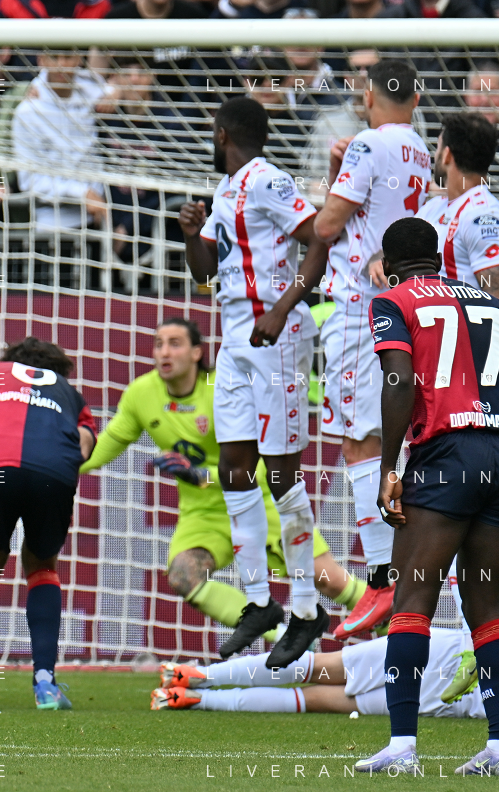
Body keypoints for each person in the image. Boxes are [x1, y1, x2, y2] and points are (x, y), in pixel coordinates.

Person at [361, 216, 499, 776]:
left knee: (412, 600)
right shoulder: (492, 303)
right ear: (442, 257)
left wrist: (389, 466)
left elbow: (399, 378)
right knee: (486, 609)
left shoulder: (393, 300)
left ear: (389, 265)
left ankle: (401, 747)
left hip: (446, 455)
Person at [80, 319, 370, 643]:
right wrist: (62, 466)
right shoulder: (141, 394)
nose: (164, 352)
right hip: (204, 514)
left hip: (261, 501)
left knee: (328, 580)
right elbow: (107, 444)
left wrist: (201, 476)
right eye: (159, 344)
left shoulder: (224, 389)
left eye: (175, 343)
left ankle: (395, 622)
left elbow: (258, 468)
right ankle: (283, 638)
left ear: (196, 352)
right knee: (183, 575)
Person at [179, 96, 331, 667]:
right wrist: (190, 235)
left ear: (222, 134)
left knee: (282, 474)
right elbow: (205, 275)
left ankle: (308, 609)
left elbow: (319, 236)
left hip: (278, 335)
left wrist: (285, 306)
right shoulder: (225, 191)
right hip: (236, 337)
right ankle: (260, 601)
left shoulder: (269, 179)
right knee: (234, 468)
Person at [310, 59, 432, 641]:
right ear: (416, 98)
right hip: (405, 302)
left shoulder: (366, 142)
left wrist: (329, 187)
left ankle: (383, 578)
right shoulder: (420, 150)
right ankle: (398, 576)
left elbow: (327, 224)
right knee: (390, 437)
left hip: (362, 307)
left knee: (360, 438)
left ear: (367, 96)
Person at [0, 337, 96, 710]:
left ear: (9, 361)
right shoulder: (71, 394)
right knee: (42, 566)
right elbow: (84, 446)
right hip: (54, 472)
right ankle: (46, 685)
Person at [152, 622, 499, 726]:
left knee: (320, 684)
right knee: (320, 680)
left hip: (459, 671)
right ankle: (196, 686)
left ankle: (196, 686)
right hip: (460, 683)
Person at [416, 112, 499, 306]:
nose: (434, 156)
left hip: (460, 325)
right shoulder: (433, 208)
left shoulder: (482, 214)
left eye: (438, 147)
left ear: (447, 155)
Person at [11, 53, 108, 231]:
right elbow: (29, 181)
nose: (62, 64)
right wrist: (82, 193)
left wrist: (117, 90)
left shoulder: (93, 92)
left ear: (79, 59)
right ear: (42, 60)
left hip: (99, 218)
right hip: (52, 224)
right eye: (54, 57)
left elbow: (116, 87)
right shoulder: (27, 112)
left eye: (68, 57)